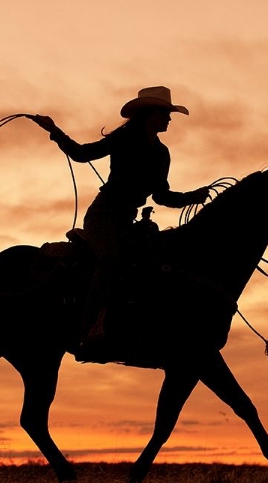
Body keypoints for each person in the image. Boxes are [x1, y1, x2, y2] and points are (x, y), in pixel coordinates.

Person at [31, 86, 209, 350]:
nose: (169, 119)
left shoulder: (162, 153)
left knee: (154, 262)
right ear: (150, 115)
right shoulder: (125, 138)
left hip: (127, 220)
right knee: (110, 258)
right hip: (103, 217)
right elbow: (82, 154)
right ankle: (89, 328)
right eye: (165, 113)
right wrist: (54, 131)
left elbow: (161, 196)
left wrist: (193, 197)